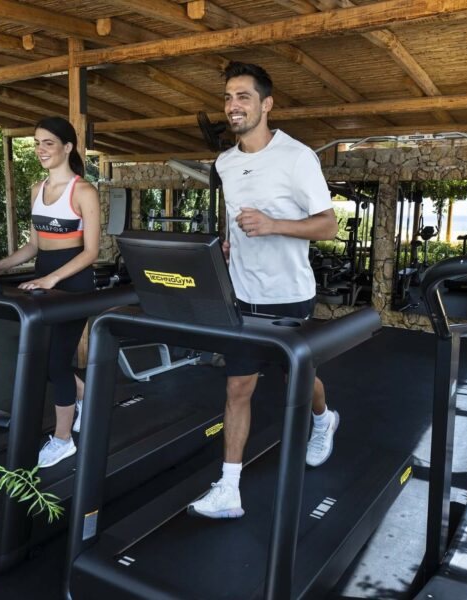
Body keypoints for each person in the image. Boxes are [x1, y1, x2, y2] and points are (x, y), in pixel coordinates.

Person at [188, 62, 339, 519]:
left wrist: (275, 225)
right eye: (228, 98)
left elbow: (328, 225)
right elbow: (238, 220)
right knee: (238, 388)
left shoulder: (297, 157)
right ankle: (229, 489)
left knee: (298, 376)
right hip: (242, 293)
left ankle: (323, 418)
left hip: (289, 293)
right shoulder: (225, 162)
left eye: (244, 97)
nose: (233, 106)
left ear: (266, 104)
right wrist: (233, 246)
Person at [0, 116, 99, 468]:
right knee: (48, 362)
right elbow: (34, 245)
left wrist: (53, 280)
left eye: (48, 143)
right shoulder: (37, 189)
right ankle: (87, 398)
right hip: (42, 283)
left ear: (67, 147)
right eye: (36, 143)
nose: (40, 150)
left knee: (56, 362)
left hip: (72, 286)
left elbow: (91, 252)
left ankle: (64, 440)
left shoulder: (83, 191)